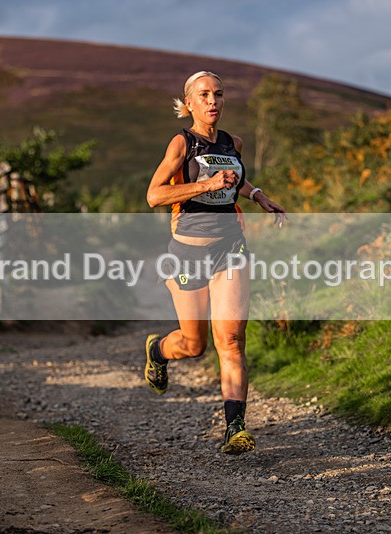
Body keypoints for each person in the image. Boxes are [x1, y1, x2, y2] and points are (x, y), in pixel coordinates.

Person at [144, 71, 287, 455]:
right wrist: (206, 185)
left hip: (230, 248)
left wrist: (257, 195)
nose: (213, 101)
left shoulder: (231, 142)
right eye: (204, 95)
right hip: (188, 253)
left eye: (219, 94)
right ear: (188, 102)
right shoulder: (182, 142)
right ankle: (158, 351)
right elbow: (154, 195)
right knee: (194, 345)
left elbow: (234, 178)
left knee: (232, 340)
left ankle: (235, 429)